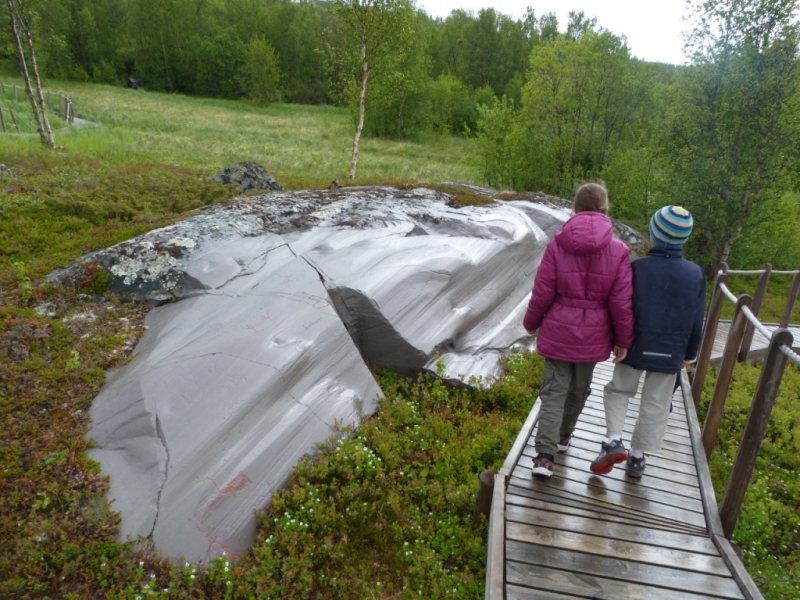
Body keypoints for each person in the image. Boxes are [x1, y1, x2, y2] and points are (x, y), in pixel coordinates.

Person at [523, 182, 634, 478]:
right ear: (605, 209)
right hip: (595, 333)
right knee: (580, 389)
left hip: (558, 329)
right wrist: (623, 340)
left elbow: (542, 292)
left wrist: (531, 322)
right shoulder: (619, 250)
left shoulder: (557, 244)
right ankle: (563, 435)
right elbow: (621, 302)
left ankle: (544, 458)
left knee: (553, 392)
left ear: (574, 208)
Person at [590, 205, 706, 479]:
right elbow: (696, 319)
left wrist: (618, 340)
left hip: (634, 345)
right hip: (671, 352)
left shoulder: (637, 267)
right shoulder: (695, 274)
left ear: (654, 234)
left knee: (619, 390)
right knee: (656, 401)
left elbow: (622, 307)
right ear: (684, 239)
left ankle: (613, 441)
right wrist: (690, 352)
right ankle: (638, 458)